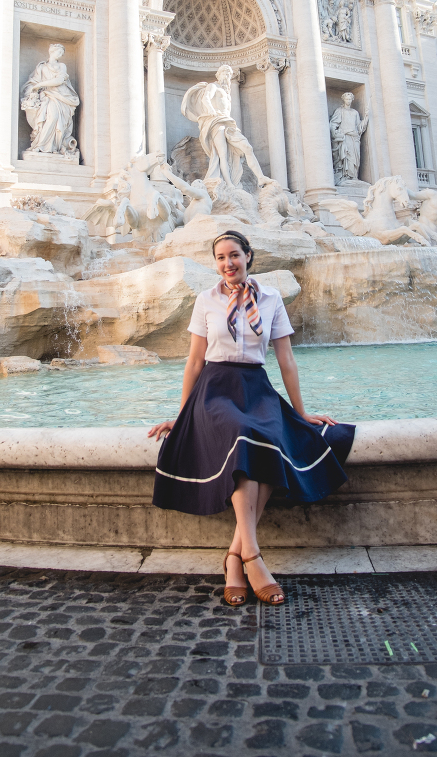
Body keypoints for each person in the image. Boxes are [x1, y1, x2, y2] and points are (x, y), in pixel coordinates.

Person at [149, 230, 354, 606]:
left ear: (248, 256)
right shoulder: (205, 300)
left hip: (256, 387)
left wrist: (301, 411)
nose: (228, 263)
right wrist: (182, 416)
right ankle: (253, 558)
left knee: (270, 438)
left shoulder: (272, 299)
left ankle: (234, 556)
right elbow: (194, 362)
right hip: (215, 389)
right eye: (221, 257)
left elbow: (286, 360)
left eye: (234, 255)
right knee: (245, 433)